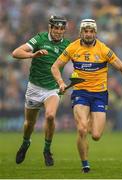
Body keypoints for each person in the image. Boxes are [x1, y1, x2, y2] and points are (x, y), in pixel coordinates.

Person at [51, 19, 122, 173]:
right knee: (81, 129)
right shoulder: (72, 47)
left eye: (91, 31)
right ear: (81, 32)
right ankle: (85, 164)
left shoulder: (103, 49)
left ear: (95, 33)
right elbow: (55, 67)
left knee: (96, 135)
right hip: (80, 93)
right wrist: (60, 82)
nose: (88, 34)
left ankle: (90, 121)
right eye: (85, 31)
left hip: (100, 94)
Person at [12, 15, 70, 166]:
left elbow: (80, 61)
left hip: (52, 89)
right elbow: (16, 53)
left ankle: (47, 150)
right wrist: (33, 54)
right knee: (28, 124)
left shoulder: (68, 45)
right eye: (56, 28)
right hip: (34, 87)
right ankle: (25, 143)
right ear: (50, 27)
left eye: (61, 29)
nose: (58, 31)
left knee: (50, 116)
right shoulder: (40, 39)